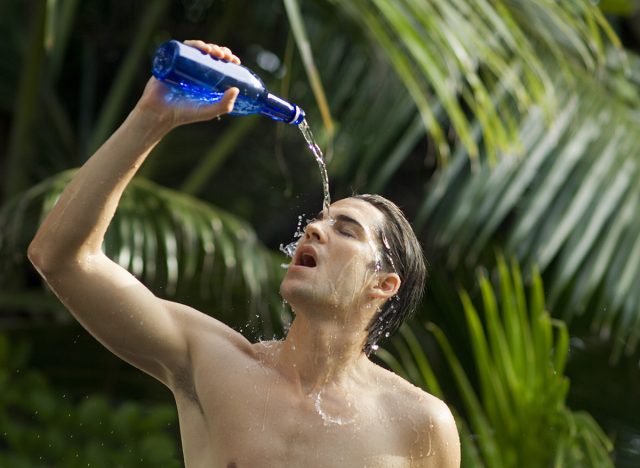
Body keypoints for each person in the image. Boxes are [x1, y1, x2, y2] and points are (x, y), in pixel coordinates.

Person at [28, 40, 460, 467]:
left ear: (382, 285)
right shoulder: (214, 362)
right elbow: (61, 258)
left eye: (345, 231)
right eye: (319, 220)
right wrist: (151, 118)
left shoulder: (418, 423)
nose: (314, 227)